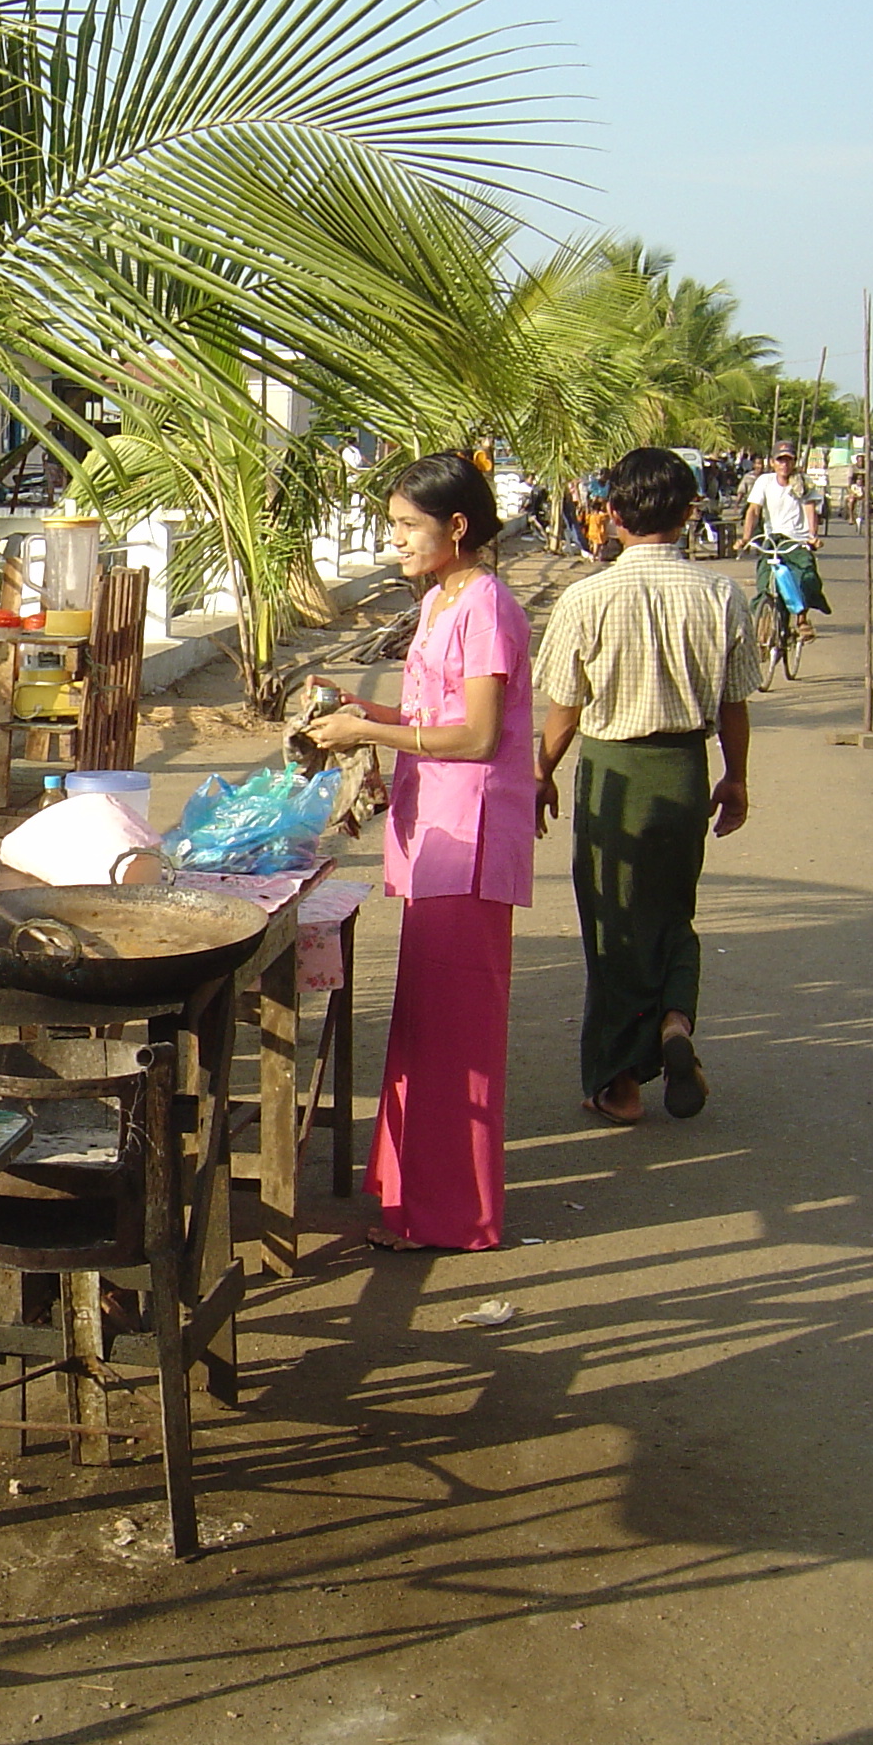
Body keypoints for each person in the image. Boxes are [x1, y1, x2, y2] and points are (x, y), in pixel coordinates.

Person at [301, 453, 534, 1252]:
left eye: (408, 526)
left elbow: (475, 734)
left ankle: (452, 1216)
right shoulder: (442, 598)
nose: (394, 540)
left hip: (469, 839)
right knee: (426, 1027)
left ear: (457, 526)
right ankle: (412, 1198)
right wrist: (360, 707)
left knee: (456, 1039)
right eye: (393, 524)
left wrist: (369, 730)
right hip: (434, 832)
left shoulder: (488, 604)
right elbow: (428, 708)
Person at [533, 448, 759, 1128]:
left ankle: (620, 1081)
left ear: (614, 515)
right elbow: (735, 704)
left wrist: (540, 775)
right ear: (690, 513)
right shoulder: (722, 595)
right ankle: (675, 1021)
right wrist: (737, 778)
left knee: (612, 926)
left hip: (614, 773)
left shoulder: (587, 596)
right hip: (684, 770)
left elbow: (565, 708)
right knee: (671, 913)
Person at [739, 442, 828, 637]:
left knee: (805, 577)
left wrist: (813, 536)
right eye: (780, 460)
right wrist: (745, 538)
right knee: (765, 582)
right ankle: (765, 623)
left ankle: (802, 619)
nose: (784, 465)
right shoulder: (764, 481)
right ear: (772, 462)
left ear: (794, 462)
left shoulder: (803, 482)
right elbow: (754, 510)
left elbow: (810, 509)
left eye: (789, 460)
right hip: (772, 540)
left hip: (797, 540)